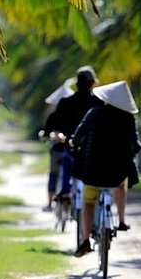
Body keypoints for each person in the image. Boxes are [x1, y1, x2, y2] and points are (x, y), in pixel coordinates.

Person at [71, 80, 141, 258]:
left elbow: (78, 135)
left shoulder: (94, 113)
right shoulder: (128, 118)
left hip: (92, 171)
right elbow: (135, 144)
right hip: (116, 173)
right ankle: (122, 221)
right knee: (120, 186)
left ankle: (85, 239)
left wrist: (74, 142)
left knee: (88, 203)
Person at [43, 66, 104, 203]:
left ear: (77, 84)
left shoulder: (65, 103)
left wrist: (49, 133)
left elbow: (53, 121)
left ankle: (65, 191)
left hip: (70, 147)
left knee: (66, 159)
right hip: (93, 149)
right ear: (92, 83)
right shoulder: (98, 103)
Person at [39, 80, 74, 211]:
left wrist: (47, 136)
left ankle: (49, 203)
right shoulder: (73, 116)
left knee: (53, 175)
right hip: (70, 150)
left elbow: (46, 133)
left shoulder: (53, 117)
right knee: (70, 174)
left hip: (56, 151)